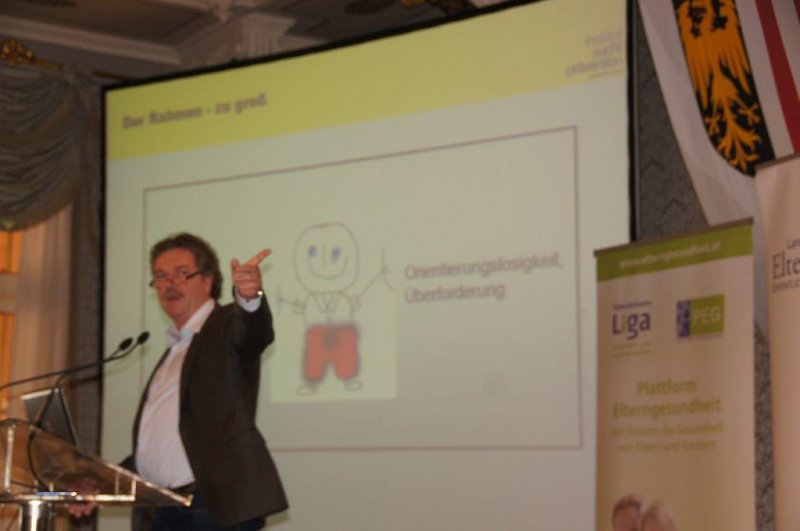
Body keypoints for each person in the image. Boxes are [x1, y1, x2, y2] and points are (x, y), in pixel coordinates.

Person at [114, 232, 287, 530]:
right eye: (161, 276)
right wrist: (109, 478)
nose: (169, 283)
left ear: (207, 281)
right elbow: (171, 436)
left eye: (182, 273)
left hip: (210, 508)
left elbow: (253, 333)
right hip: (161, 509)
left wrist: (249, 298)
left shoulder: (224, 325)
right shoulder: (175, 349)